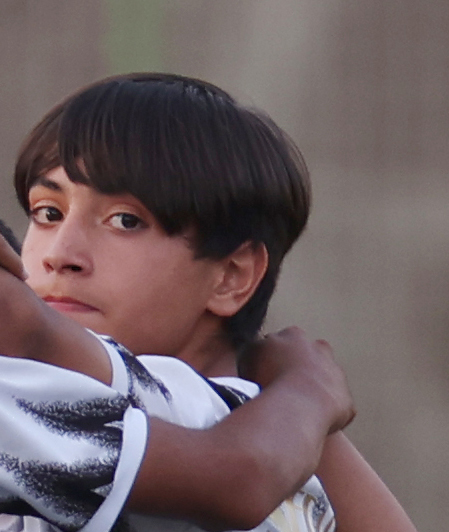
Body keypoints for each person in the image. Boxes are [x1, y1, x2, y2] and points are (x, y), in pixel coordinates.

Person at [0, 73, 417, 532]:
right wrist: (310, 388)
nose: (60, 254)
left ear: (231, 276)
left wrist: (308, 392)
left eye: (125, 220)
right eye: (48, 213)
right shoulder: (285, 423)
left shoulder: (184, 411)